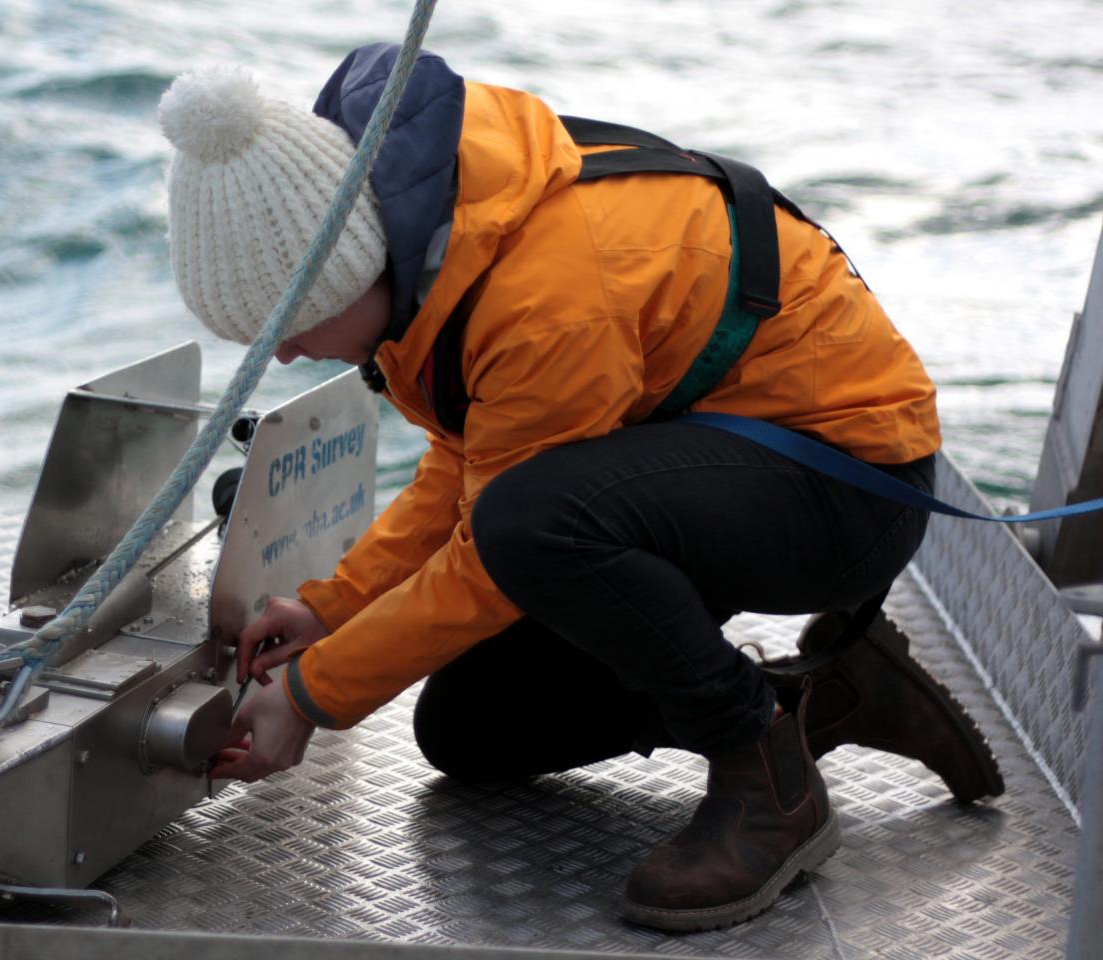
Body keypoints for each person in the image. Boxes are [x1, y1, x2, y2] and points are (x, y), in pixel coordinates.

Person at [157, 44, 1003, 931]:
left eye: (286, 328)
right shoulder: (422, 251)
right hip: (696, 464)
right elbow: (467, 456)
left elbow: (498, 542)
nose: (285, 355)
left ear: (345, 269)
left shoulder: (545, 295)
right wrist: (334, 608)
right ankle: (827, 694)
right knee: (474, 732)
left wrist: (310, 696)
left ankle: (766, 781)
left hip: (847, 484)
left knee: (533, 527)